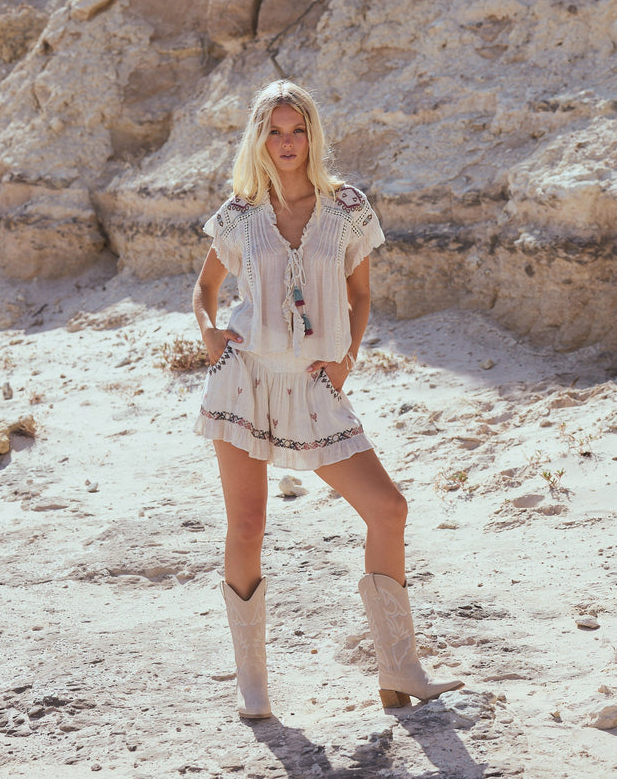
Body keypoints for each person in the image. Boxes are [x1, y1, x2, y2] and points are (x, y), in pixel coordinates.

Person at [193, 79, 462, 718]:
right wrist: (209, 334)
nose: (287, 142)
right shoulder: (240, 211)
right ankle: (253, 685)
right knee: (247, 526)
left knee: (388, 509)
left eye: (298, 130)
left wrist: (347, 359)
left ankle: (399, 670)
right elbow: (205, 289)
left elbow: (360, 295)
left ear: (313, 135)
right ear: (260, 139)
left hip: (315, 385)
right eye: (275, 131)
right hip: (245, 380)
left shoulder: (347, 207)